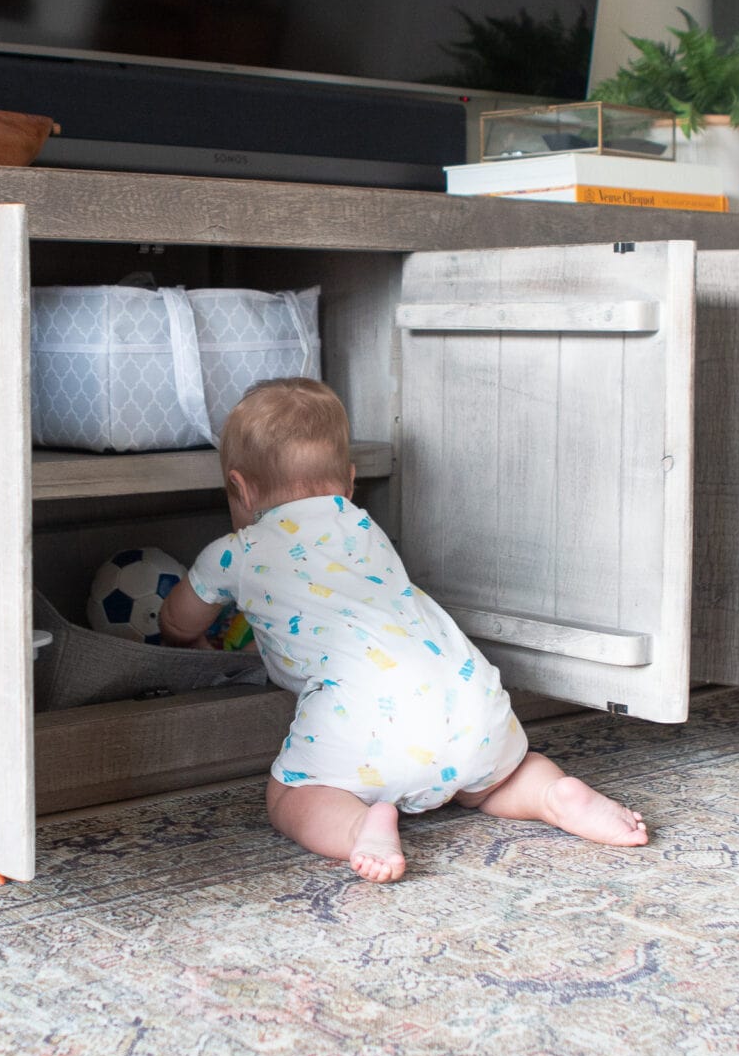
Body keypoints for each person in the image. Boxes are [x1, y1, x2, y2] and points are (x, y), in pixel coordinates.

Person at [159, 377, 648, 883]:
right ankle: (554, 794)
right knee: (493, 782)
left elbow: (177, 619)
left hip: (364, 729)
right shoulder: (366, 530)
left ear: (238, 487)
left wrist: (187, 639)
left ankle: (360, 827)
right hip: (470, 705)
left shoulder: (234, 553)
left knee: (290, 797)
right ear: (349, 483)